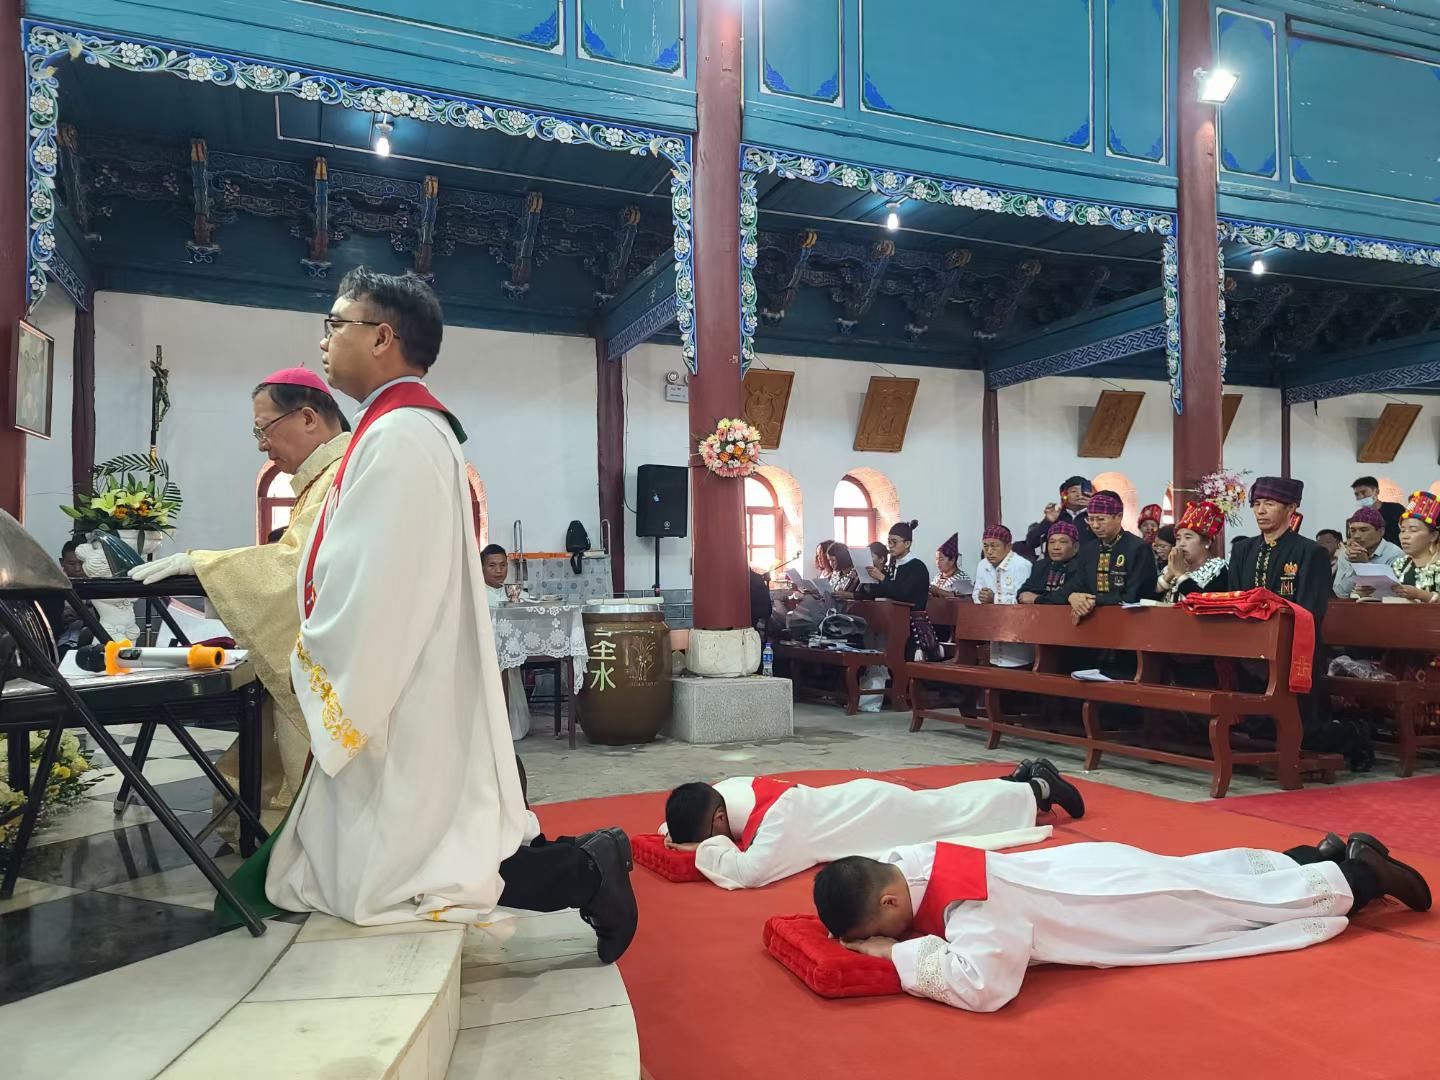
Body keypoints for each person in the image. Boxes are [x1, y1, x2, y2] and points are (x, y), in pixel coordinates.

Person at [246, 268, 635, 961]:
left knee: (428, 856)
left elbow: (377, 577)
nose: (325, 341)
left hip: (401, 675)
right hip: (410, 666)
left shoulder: (401, 436)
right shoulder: (397, 429)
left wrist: (322, 650)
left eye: (336, 325)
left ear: (382, 337)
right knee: (432, 842)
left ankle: (587, 871)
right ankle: (586, 865)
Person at [813, 831, 1429, 1014]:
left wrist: (893, 956)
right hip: (1093, 868)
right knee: (1211, 874)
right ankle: (1317, 854)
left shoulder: (970, 905)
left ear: (890, 904)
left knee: (1232, 910)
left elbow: (985, 985)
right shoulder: (911, 861)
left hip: (1116, 909)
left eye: (881, 928)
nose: (888, 936)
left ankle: (1362, 875)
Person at [129, 367, 352, 838]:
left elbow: (299, 568)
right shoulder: (324, 477)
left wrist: (204, 565)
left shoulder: (342, 475)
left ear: (308, 417)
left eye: (263, 429)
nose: (261, 445)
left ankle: (305, 841)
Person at [660, 759, 1082, 890]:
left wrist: (704, 848)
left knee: (954, 816)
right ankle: (1017, 782)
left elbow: (749, 874)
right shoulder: (733, 790)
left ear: (720, 818)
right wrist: (681, 832)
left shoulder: (778, 820)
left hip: (879, 817)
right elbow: (676, 819)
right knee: (948, 806)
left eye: (714, 833)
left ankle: (1038, 789)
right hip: (862, 803)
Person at [1229, 477, 1347, 761]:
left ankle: (1335, 741)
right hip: (1250, 645)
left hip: (1294, 647)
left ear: (1291, 508)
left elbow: (1311, 608)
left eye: (1269, 504)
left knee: (1299, 720)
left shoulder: (1310, 552)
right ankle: (1260, 750)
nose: (1260, 511)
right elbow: (1233, 597)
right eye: (1256, 504)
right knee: (1256, 719)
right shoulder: (1243, 550)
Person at [1067, 490, 1159, 621]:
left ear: (1119, 517)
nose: (1095, 525)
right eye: (1091, 519)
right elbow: (1078, 585)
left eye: (1101, 519)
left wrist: (1095, 600)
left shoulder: (1138, 548)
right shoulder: (1088, 549)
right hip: (1092, 620)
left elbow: (1135, 595)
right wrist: (1072, 596)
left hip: (1132, 621)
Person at [482, 543, 537, 740]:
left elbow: (533, 607)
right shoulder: (477, 594)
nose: (499, 571)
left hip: (509, 654)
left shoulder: (513, 592)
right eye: (492, 566)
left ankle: (510, 724)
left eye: (503, 565)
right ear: (481, 567)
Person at [972, 524, 1032, 667]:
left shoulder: (1021, 565)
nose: (989, 551)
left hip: (1019, 635)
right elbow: (975, 594)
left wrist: (995, 599)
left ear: (1008, 546)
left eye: (994, 546)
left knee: (1016, 664)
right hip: (993, 629)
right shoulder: (982, 565)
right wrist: (981, 597)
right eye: (985, 546)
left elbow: (1024, 601)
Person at [1156, 500, 1228, 603]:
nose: (1181, 543)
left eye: (1188, 537)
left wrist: (1180, 574)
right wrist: (1169, 575)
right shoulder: (1169, 568)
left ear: (1207, 542)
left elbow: (1206, 604)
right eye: (1178, 538)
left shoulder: (1220, 570)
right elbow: (1147, 600)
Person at [857, 520, 931, 610]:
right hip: (893, 613)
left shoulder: (917, 567)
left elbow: (903, 595)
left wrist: (882, 577)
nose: (890, 546)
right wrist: (868, 582)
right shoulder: (893, 565)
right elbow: (885, 592)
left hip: (911, 615)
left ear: (907, 544)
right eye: (889, 542)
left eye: (894, 542)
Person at [1333, 507, 1403, 599]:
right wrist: (1355, 565)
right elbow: (1341, 594)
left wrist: (1364, 565)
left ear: (1381, 531)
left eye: (1363, 530)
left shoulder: (1395, 554)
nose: (1357, 536)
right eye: (1353, 530)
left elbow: (1395, 594)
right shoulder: (1346, 554)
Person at [1387, 491, 1440, 603]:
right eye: (1402, 530)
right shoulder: (1399, 565)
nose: (1405, 536)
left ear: (1433, 536)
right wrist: (1371, 591)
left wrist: (1422, 595)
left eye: (1413, 530)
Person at [1024, 475, 1094, 554]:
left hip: (1087, 560)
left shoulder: (1095, 517)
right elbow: (1031, 543)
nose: (1079, 494)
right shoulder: (1056, 516)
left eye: (1082, 491)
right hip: (1055, 561)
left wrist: (1093, 510)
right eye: (1074, 491)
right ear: (1064, 495)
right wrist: (1047, 521)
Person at [1018, 522, 1081, 604]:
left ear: (1075, 547)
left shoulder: (1081, 567)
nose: (1056, 547)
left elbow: (1066, 597)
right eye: (1052, 542)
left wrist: (1037, 598)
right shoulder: (1040, 566)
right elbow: (1023, 593)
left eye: (1062, 542)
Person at [1352, 476, 1404, 544]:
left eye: (1364, 492)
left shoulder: (1396, 509)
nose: (1360, 497)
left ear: (1377, 491)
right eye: (1357, 494)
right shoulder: (1359, 517)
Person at [930, 533, 971, 598]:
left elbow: (964, 599)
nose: (937, 562)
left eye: (941, 559)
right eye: (936, 559)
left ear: (952, 560)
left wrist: (937, 591)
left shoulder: (962, 578)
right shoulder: (937, 577)